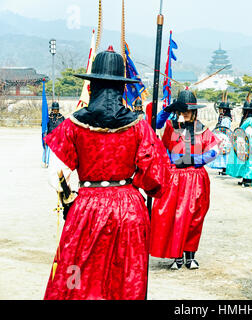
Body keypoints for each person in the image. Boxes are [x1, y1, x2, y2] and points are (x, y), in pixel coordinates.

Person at [43, 46, 169, 300]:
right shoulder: (139, 126)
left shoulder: (72, 125)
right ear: (122, 88)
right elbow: (156, 177)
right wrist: (141, 187)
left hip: (87, 207)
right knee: (126, 278)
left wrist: (70, 198)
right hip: (130, 210)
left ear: (92, 86)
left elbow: (57, 175)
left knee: (77, 275)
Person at [150, 89, 219, 270]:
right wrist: (167, 110)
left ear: (195, 111)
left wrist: (196, 160)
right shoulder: (171, 127)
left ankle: (190, 256)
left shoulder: (202, 129)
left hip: (196, 178)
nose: (185, 113)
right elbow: (154, 125)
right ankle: (176, 256)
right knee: (174, 217)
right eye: (181, 110)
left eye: (188, 110)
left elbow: (214, 151)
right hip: (175, 179)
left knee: (194, 217)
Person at [226, 93, 252, 187]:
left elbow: (250, 131)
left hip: (249, 141)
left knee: (249, 161)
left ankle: (249, 179)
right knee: (244, 161)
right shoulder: (246, 118)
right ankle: (245, 177)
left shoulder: (251, 119)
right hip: (244, 141)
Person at [208, 98, 233, 175]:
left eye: (220, 109)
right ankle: (224, 168)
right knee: (222, 153)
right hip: (222, 137)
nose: (219, 110)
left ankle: (225, 168)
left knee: (225, 153)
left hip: (225, 138)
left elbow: (225, 129)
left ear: (224, 110)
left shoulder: (226, 119)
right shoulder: (222, 118)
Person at [43, 102, 65, 167]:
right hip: (50, 137)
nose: (55, 110)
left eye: (56, 109)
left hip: (58, 137)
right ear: (52, 109)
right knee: (48, 150)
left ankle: (58, 163)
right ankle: (47, 162)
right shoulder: (48, 117)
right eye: (54, 109)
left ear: (58, 109)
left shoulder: (62, 117)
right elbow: (44, 125)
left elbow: (65, 127)